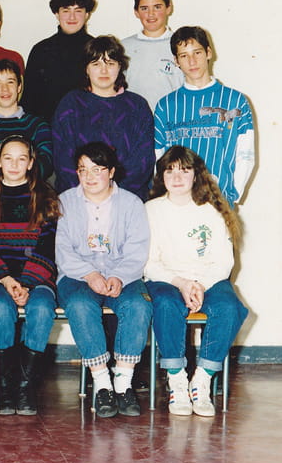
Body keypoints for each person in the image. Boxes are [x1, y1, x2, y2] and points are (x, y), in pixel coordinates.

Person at [144, 146, 248, 416]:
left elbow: (224, 262)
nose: (177, 177)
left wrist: (199, 284)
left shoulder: (211, 210)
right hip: (167, 278)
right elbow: (149, 263)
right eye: (170, 171)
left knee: (229, 307)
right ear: (161, 176)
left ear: (195, 174)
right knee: (166, 304)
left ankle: (201, 380)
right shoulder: (151, 210)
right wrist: (181, 283)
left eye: (184, 170)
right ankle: (177, 380)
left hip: (208, 279)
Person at [55, 142, 152, 418]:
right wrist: (90, 274)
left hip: (123, 274)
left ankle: (123, 383)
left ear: (111, 172)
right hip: (77, 276)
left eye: (97, 169)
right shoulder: (65, 202)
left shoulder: (132, 204)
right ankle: (102, 384)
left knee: (139, 306)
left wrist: (119, 276)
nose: (89, 176)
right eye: (83, 170)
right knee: (80, 305)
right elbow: (63, 250)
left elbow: (137, 250)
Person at [0, 136, 60, 415]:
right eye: (8, 158)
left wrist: (26, 283)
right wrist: (6, 279)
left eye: (21, 159)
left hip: (37, 279)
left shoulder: (47, 199)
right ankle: (4, 387)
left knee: (41, 308)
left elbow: (49, 248)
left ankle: (26, 387)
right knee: (1, 309)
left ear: (30, 163)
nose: (14, 164)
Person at [154, 26, 255, 206]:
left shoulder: (235, 101)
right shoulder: (165, 106)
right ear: (176, 61)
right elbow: (158, 157)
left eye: (197, 53)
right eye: (184, 55)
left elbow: (245, 154)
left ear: (208, 53)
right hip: (177, 203)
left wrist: (232, 195)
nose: (192, 61)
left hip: (218, 200)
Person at [52, 35, 154, 200]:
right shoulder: (70, 104)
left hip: (126, 199)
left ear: (120, 67)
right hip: (78, 199)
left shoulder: (138, 106)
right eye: (96, 64)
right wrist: (89, 196)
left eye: (110, 63)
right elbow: (63, 160)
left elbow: (143, 162)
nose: (104, 70)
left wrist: (113, 196)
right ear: (86, 68)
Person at [0, 59, 53, 191]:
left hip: (30, 198)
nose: (4, 89)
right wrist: (20, 171)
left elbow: (45, 165)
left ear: (19, 87)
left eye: (10, 82)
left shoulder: (38, 126)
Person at [20, 0, 96, 122]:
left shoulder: (97, 49)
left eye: (78, 11)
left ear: (86, 14)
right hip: (48, 127)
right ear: (56, 14)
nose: (72, 17)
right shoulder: (40, 50)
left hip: (89, 125)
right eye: (66, 11)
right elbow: (29, 101)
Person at [121, 0, 183, 111]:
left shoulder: (181, 45)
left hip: (172, 118)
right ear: (136, 12)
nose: (151, 14)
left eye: (157, 7)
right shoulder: (123, 47)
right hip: (133, 119)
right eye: (144, 8)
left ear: (168, 8)